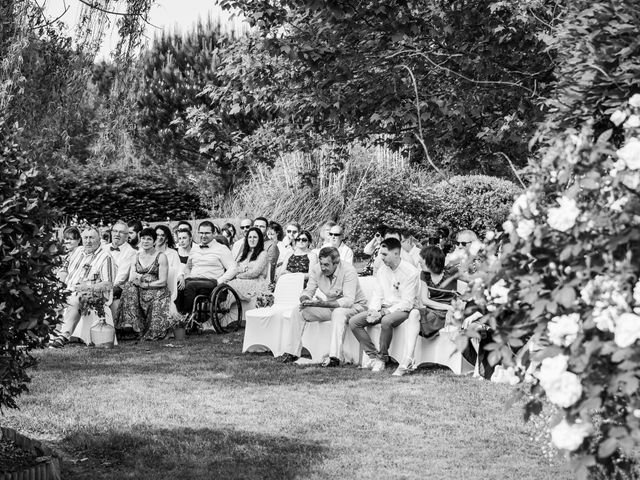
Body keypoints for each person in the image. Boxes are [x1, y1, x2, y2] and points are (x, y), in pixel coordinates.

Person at [279, 246, 368, 366]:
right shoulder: (316, 270)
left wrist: (322, 304)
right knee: (298, 310)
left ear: (336, 263)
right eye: (321, 263)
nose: (323, 268)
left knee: (338, 312)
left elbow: (348, 301)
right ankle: (292, 352)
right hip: (330, 307)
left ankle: (334, 357)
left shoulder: (349, 270)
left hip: (355, 308)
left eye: (326, 265)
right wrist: (305, 299)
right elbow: (308, 290)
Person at [348, 238, 420, 372]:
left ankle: (382, 358)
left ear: (396, 254)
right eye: (381, 254)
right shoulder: (382, 270)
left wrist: (383, 313)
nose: (381, 257)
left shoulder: (411, 272)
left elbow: (407, 302)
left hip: (404, 310)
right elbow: (377, 295)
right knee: (354, 322)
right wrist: (373, 311)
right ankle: (374, 356)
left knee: (386, 320)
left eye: (384, 254)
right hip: (383, 307)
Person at [393, 245, 459, 376]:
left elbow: (471, 281)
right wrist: (448, 307)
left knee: (415, 314)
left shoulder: (451, 272)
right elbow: (425, 300)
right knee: (414, 312)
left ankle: (407, 360)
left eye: (422, 260)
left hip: (446, 314)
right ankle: (409, 358)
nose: (418, 262)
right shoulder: (424, 274)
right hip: (435, 310)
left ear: (431, 260)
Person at [50, 226, 116, 348]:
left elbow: (108, 284)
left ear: (99, 239)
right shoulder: (76, 251)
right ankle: (50, 335)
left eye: (92, 237)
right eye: (85, 237)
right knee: (51, 296)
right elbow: (64, 270)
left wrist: (88, 287)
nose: (88, 241)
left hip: (92, 294)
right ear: (82, 239)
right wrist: (59, 284)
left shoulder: (106, 257)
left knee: (76, 298)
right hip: (68, 289)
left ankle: (63, 336)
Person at [115, 228, 174, 340]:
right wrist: (137, 280)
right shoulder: (136, 256)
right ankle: (133, 326)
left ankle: (150, 329)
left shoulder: (161, 257)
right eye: (143, 239)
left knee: (145, 293)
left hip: (156, 289)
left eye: (149, 239)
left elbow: (162, 281)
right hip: (139, 288)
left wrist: (146, 285)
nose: (145, 241)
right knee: (129, 287)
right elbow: (132, 276)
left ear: (154, 241)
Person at [175, 221, 237, 317]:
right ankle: (178, 316)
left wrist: (219, 281)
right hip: (193, 279)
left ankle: (185, 317)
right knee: (178, 285)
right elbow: (188, 266)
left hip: (211, 281)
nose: (203, 236)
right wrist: (185, 277)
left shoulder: (221, 249)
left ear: (214, 233)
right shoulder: (194, 248)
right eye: (201, 233)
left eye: (207, 233)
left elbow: (233, 268)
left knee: (190, 286)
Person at [103, 220, 137, 319]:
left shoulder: (130, 252)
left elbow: (121, 277)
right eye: (115, 231)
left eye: (121, 232)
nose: (117, 234)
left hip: (117, 287)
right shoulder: (103, 248)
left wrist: (106, 288)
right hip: (101, 284)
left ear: (127, 236)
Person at [228, 227, 269, 304]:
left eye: (255, 237)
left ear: (259, 239)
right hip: (242, 279)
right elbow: (235, 267)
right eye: (250, 237)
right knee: (226, 285)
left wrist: (238, 276)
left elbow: (255, 272)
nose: (252, 239)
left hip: (256, 281)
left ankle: (224, 307)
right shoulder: (245, 253)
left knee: (231, 286)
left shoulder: (263, 254)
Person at [155, 224, 182, 306]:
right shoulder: (148, 251)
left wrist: (181, 276)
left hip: (167, 283)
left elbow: (178, 268)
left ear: (166, 239)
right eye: (157, 235)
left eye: (162, 235)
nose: (159, 237)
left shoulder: (173, 253)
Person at [254, 216, 279, 283]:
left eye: (261, 226)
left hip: (260, 281)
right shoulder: (247, 243)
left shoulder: (271, 246)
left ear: (267, 229)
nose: (258, 228)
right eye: (256, 226)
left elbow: (270, 270)